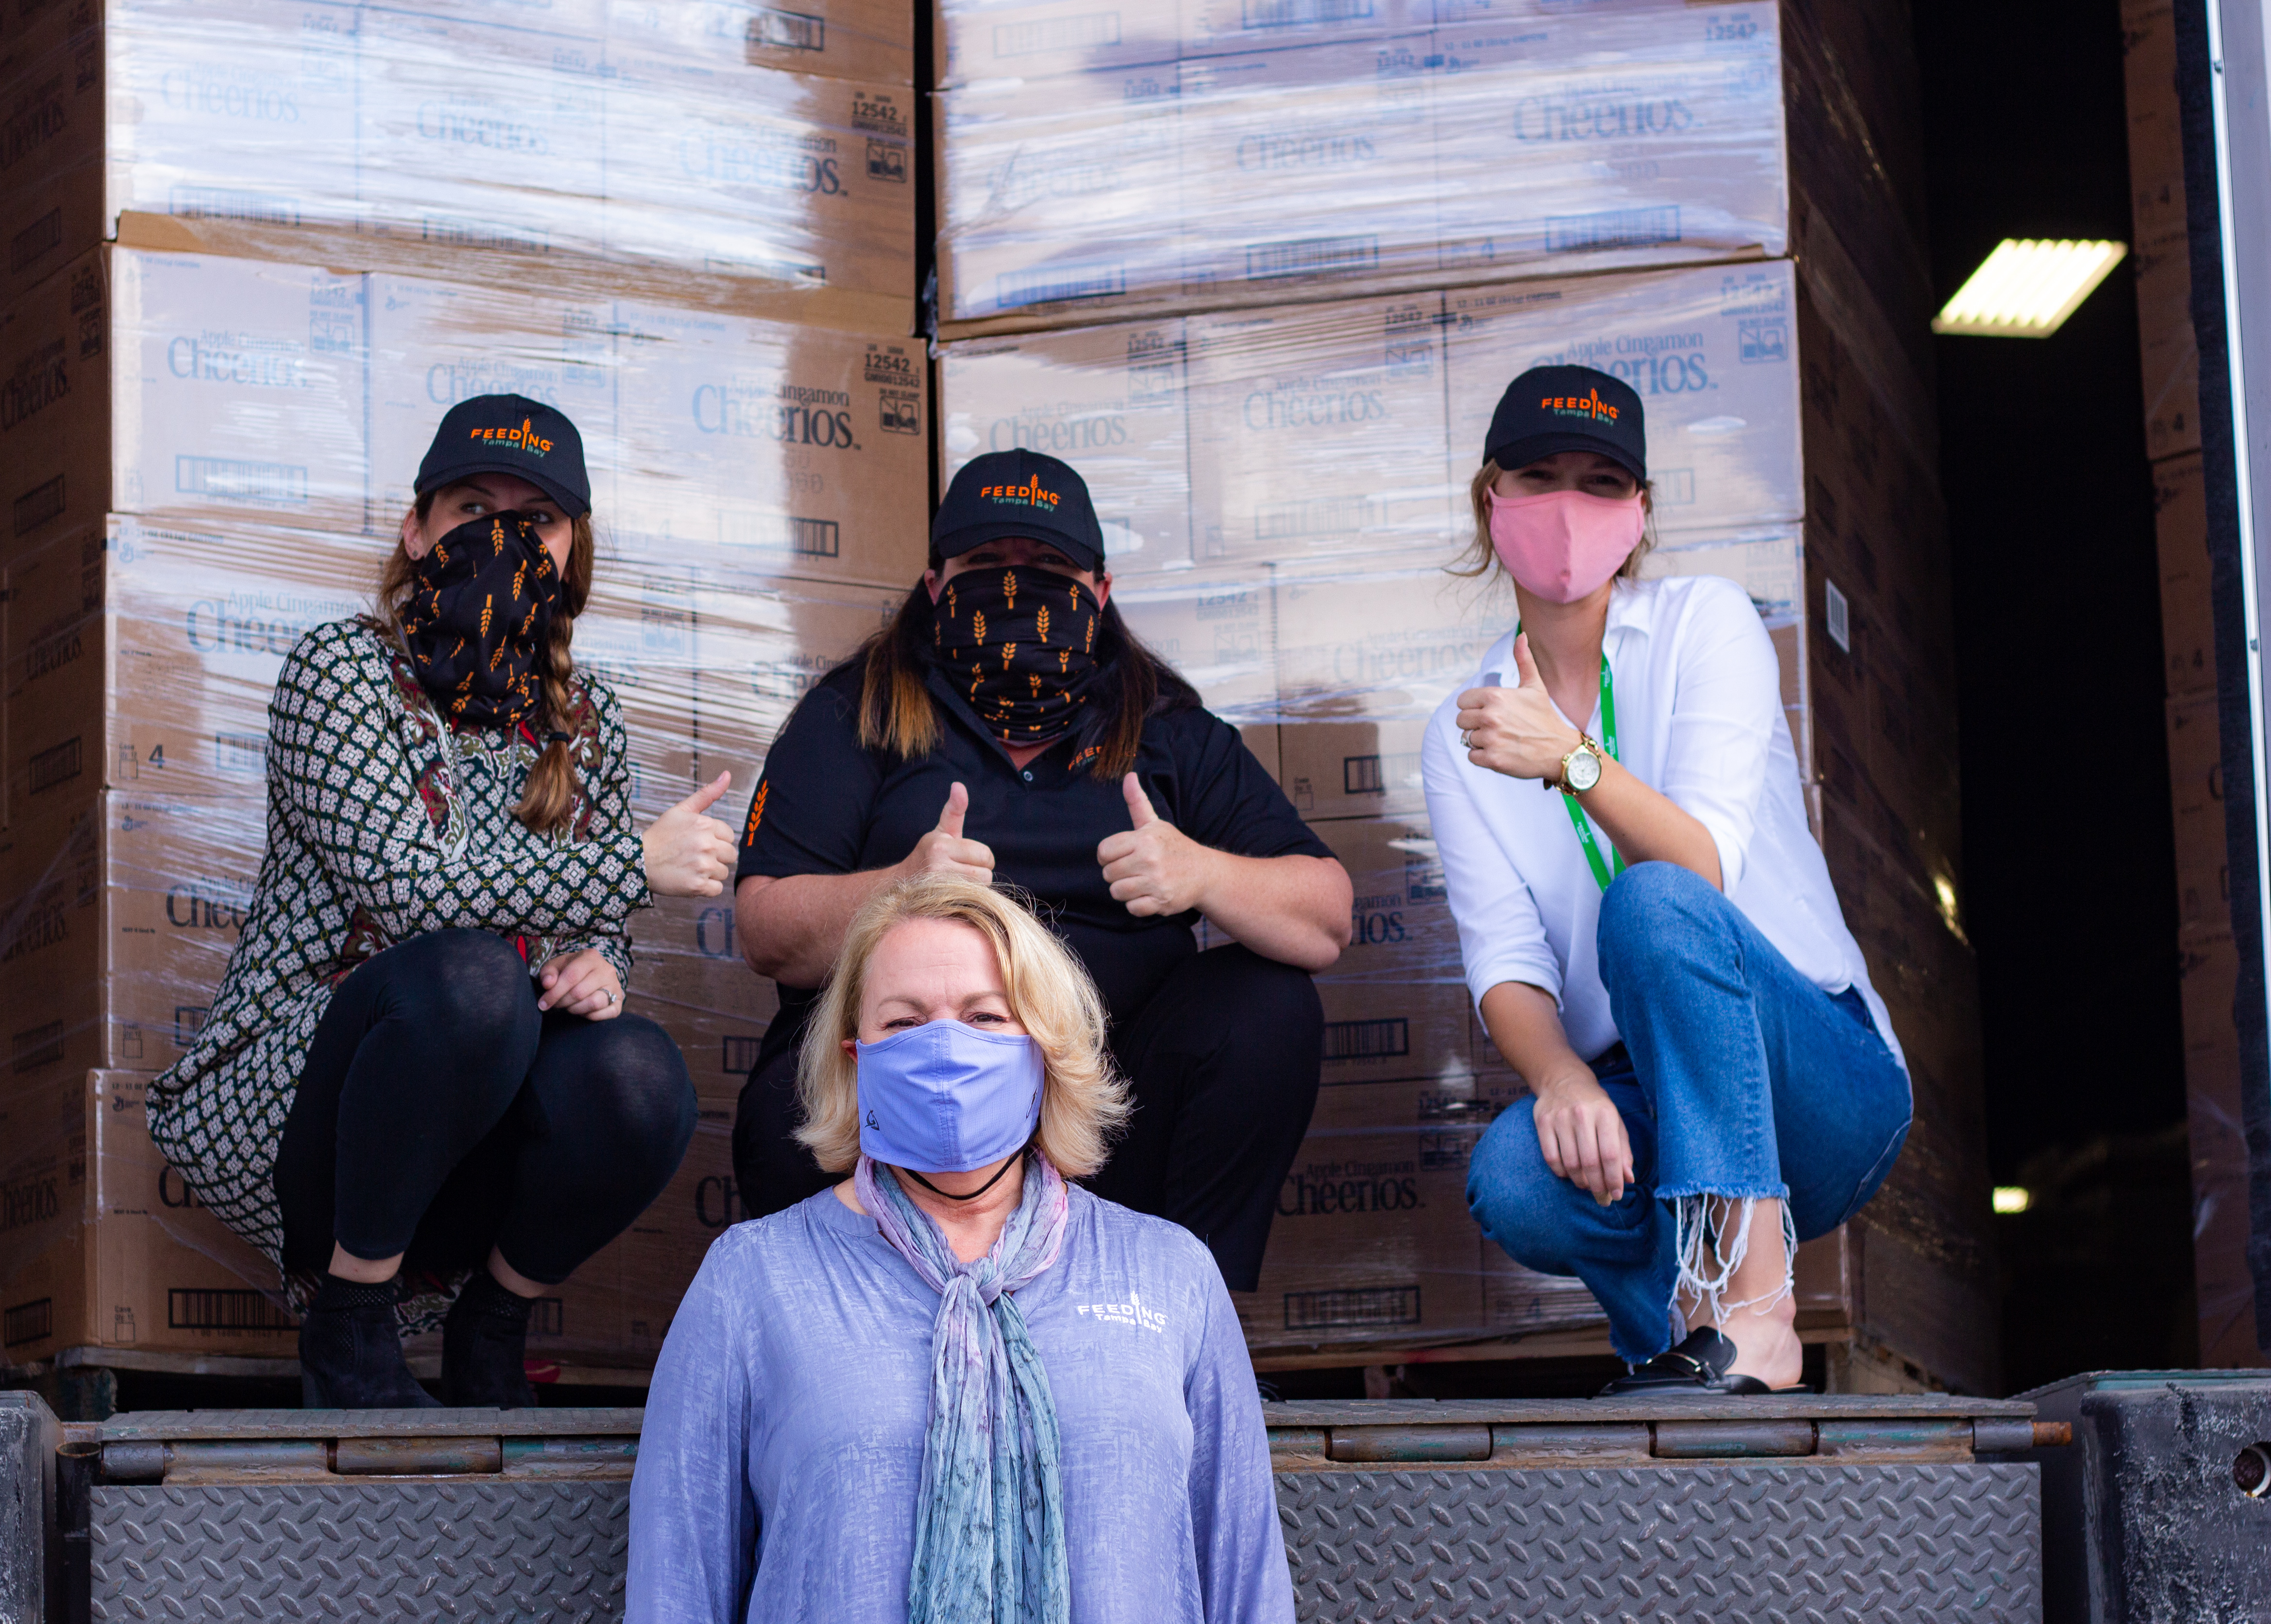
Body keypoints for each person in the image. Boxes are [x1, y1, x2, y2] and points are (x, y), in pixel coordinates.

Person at [146, 393, 742, 1410]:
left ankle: (492, 1327)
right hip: (299, 1112)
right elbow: (404, 884)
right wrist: (635, 867)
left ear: (572, 553)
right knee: (472, 979)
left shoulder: (586, 716)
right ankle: (351, 1333)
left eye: (536, 521)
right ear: (417, 529)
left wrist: (604, 968)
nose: (503, 539)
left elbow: (590, 930)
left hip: (473, 1108)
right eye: (474, 506)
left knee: (641, 1074)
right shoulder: (340, 669)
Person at [622, 873, 1297, 1624]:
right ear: (858, 1058)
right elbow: (677, 1605)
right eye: (904, 1024)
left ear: (1044, 1047)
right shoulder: (754, 1280)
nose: (945, 1050)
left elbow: (1244, 1596)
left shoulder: (1170, 1274)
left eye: (984, 1018)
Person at [732, 448, 1351, 1291]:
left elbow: (1327, 915)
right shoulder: (859, 710)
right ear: (935, 585)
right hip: (916, 1093)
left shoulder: (1164, 724)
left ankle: (1189, 1323)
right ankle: (856, 1339)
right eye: (987, 565)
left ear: (1099, 594)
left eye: (1049, 568)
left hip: (1106, 1113)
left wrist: (1204, 875)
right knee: (787, 1105)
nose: (1017, 589)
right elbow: (765, 929)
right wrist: (899, 889)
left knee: (1269, 1005)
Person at [1421, 366, 1912, 1395]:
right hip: (1649, 1088)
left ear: (1638, 515)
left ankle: (1750, 1318)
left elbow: (1699, 872)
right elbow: (1505, 961)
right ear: (1489, 499)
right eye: (1540, 476)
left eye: (1601, 483)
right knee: (1515, 1174)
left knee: (1651, 905)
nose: (1569, 507)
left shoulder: (1706, 623)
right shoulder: (1460, 728)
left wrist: (1569, 758)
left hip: (1814, 1079)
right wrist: (1559, 1081)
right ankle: (1692, 1362)